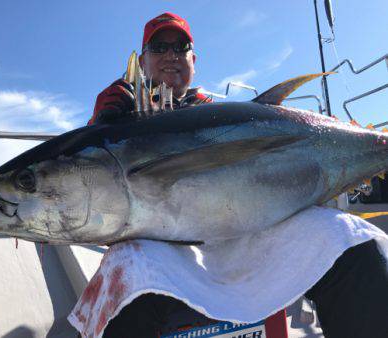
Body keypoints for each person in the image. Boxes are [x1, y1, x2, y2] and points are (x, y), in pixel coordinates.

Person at [85, 12, 388, 338]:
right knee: (125, 273)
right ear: (142, 61)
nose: (171, 55)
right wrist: (103, 127)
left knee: (349, 241)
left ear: (193, 60)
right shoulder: (119, 113)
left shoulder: (213, 113)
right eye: (159, 47)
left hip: (242, 235)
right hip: (160, 249)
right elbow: (96, 203)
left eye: (181, 47)